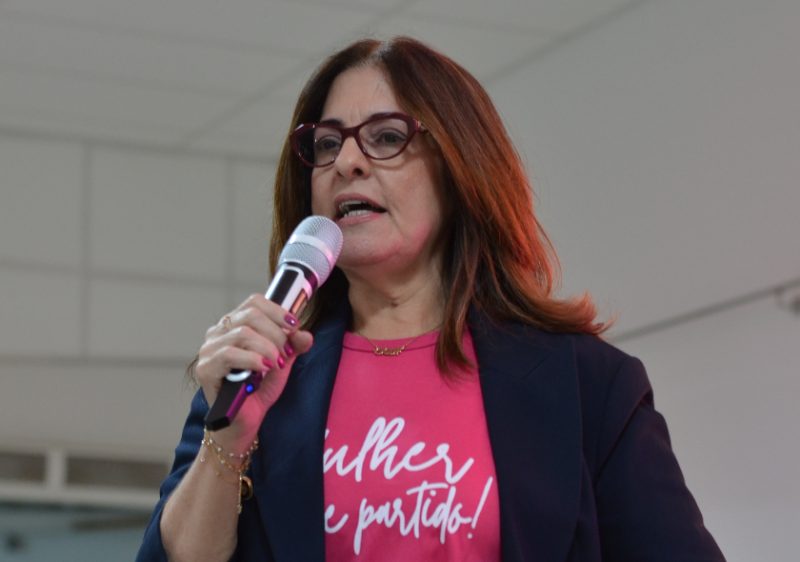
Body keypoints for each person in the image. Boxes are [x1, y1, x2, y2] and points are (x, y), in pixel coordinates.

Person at [137, 36, 725, 562]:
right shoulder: (259, 374)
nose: (346, 162)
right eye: (326, 144)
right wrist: (227, 439)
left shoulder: (588, 385)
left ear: (460, 167)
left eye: (387, 137)